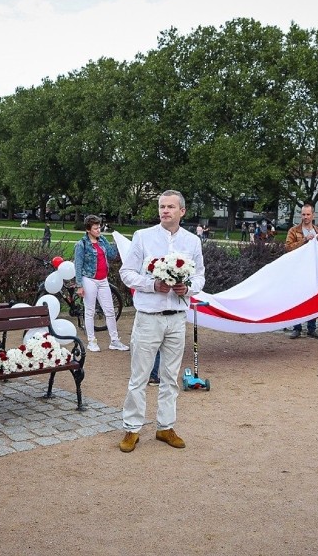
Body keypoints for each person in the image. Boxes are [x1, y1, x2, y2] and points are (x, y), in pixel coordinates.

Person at [118, 190, 205, 453]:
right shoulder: (143, 237)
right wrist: (152, 285)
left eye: (170, 207)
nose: (165, 211)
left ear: (182, 211)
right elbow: (126, 273)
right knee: (139, 376)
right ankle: (132, 429)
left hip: (177, 318)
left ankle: (165, 426)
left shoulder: (192, 241)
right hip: (148, 318)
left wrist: (187, 289)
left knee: (170, 376)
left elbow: (200, 277)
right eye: (161, 207)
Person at [74, 214, 129, 353]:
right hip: (89, 279)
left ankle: (115, 340)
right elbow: (78, 265)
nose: (99, 230)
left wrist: (117, 242)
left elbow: (111, 255)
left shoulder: (102, 240)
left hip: (103, 280)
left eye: (99, 227)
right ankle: (91, 341)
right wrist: (79, 285)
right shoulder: (82, 244)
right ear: (88, 229)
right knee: (90, 311)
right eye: (96, 228)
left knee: (110, 310)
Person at [285, 204, 318, 339]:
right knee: (297, 299)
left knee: (313, 299)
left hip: (313, 270)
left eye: (308, 214)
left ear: (313, 215)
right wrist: (304, 240)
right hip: (297, 270)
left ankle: (311, 328)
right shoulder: (294, 231)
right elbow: (288, 248)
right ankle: (297, 328)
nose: (305, 217)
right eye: (303, 214)